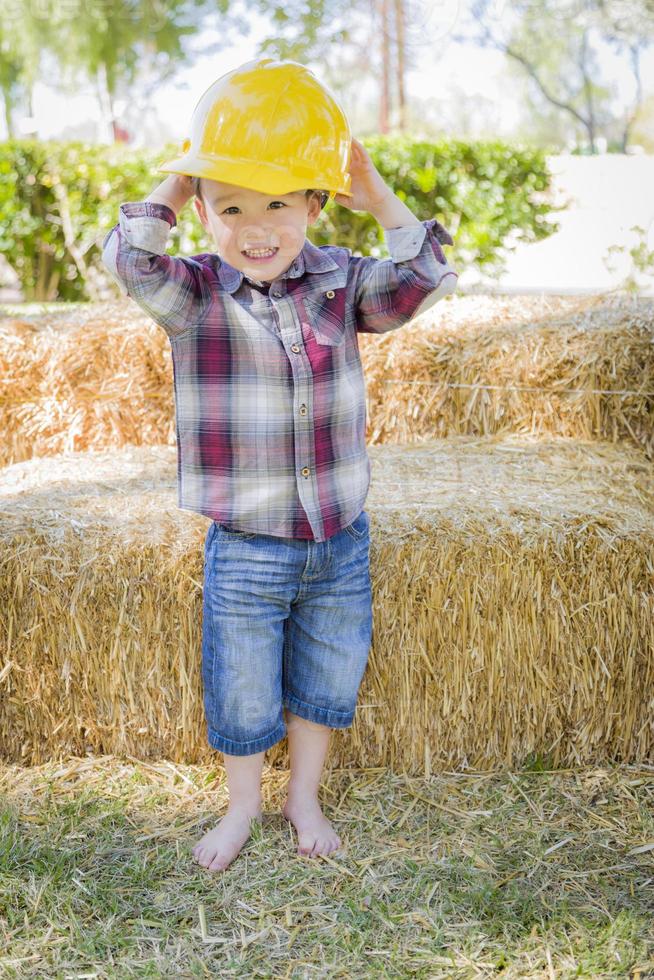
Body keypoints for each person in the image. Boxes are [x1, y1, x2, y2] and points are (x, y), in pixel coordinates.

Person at [101, 58, 458, 873]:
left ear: (313, 204)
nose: (254, 227)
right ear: (202, 214)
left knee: (327, 679)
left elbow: (424, 278)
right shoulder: (193, 294)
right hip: (248, 546)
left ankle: (304, 795)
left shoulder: (341, 282)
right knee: (243, 690)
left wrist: (379, 200)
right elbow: (128, 260)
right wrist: (177, 178)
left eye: (276, 205)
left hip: (340, 539)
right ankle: (241, 806)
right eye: (229, 207)